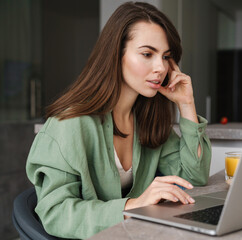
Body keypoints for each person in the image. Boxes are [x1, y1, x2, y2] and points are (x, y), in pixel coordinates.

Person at [26, 2, 211, 239]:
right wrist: (133, 205)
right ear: (116, 54)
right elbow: (56, 213)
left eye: (166, 57)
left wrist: (187, 104)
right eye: (147, 54)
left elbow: (195, 176)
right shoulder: (69, 124)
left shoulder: (147, 119)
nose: (161, 67)